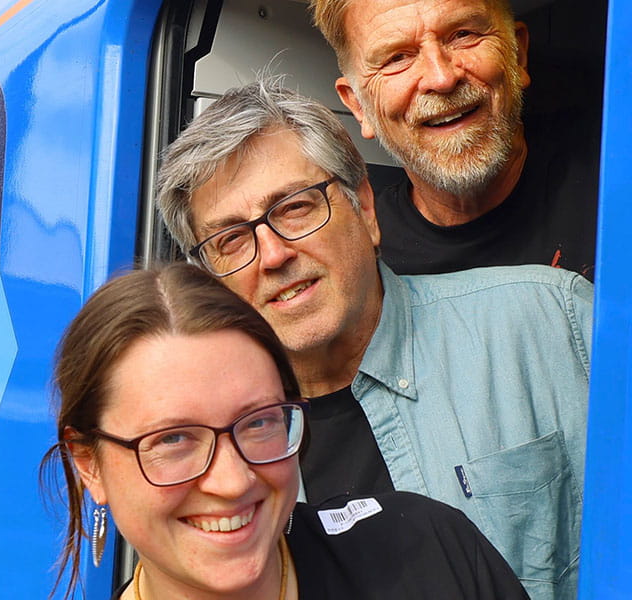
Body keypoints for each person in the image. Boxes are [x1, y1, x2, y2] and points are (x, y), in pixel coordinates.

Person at [153, 76, 589, 600]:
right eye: (231, 239)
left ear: (364, 206)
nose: (273, 255)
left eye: (294, 208)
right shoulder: (211, 450)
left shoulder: (550, 321)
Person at [47, 264, 527, 599]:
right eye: (173, 439)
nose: (233, 481)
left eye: (258, 422)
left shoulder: (429, 554)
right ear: (89, 464)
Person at [310, 0, 598, 278]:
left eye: (463, 35)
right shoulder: (362, 263)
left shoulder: (613, 170)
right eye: (397, 58)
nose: (442, 79)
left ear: (517, 54)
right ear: (359, 106)